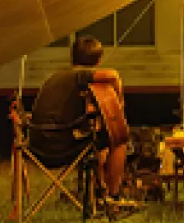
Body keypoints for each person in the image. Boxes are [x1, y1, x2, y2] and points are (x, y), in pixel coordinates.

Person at [29, 35, 129, 205]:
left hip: (36, 145)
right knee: (119, 140)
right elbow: (113, 75)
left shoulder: (55, 77)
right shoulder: (80, 74)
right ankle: (113, 197)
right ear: (98, 61)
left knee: (100, 140)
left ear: (72, 57)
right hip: (58, 147)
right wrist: (120, 102)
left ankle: (100, 190)